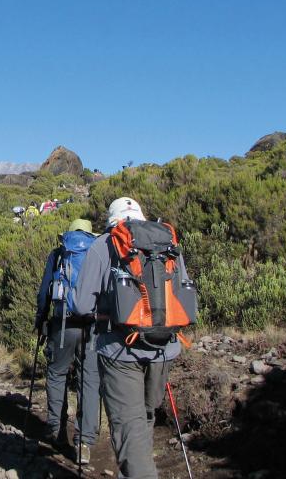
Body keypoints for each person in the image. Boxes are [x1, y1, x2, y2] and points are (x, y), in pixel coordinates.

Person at [73, 197, 188, 479]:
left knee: (129, 425)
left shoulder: (103, 244)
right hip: (164, 347)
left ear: (111, 220)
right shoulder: (166, 242)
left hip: (119, 350)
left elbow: (81, 305)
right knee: (145, 416)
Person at [34, 219, 100, 465]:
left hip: (62, 324)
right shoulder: (97, 252)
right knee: (89, 380)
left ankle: (56, 429)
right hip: (92, 327)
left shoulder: (59, 254)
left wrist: (41, 319)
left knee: (57, 374)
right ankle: (84, 442)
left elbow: (45, 291)